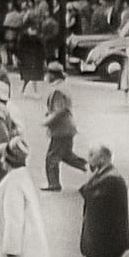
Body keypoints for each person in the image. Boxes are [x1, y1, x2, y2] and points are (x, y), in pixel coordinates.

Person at [41, 64, 87, 192]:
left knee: (52, 157)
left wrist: (46, 121)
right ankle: (90, 167)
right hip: (67, 128)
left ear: (52, 75)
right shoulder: (63, 87)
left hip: (61, 129)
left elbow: (59, 111)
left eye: (47, 74)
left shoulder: (58, 90)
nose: (46, 77)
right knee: (66, 155)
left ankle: (54, 184)